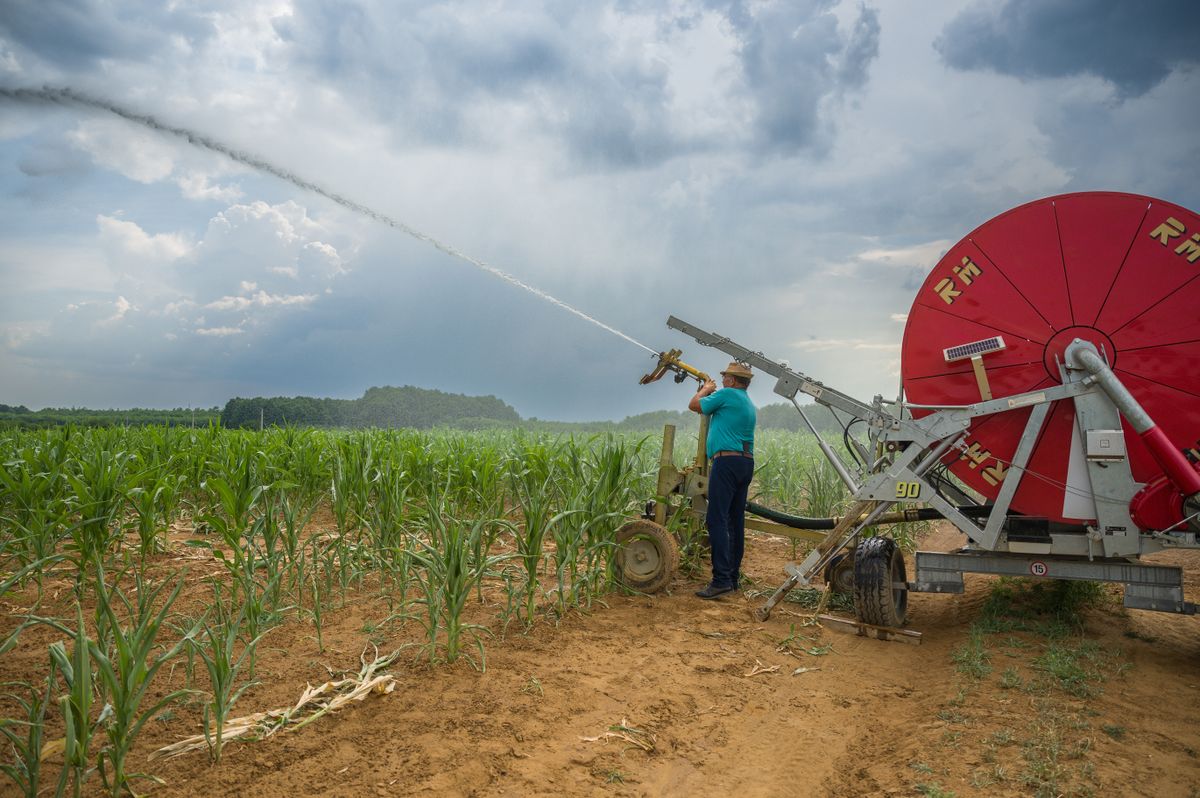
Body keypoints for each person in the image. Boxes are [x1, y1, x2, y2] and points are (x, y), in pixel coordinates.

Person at [689, 361, 756, 599]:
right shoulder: (746, 401)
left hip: (726, 463)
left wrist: (706, 388)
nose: (724, 379)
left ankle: (720, 580)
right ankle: (732, 578)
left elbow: (694, 405)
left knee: (716, 519)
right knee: (734, 521)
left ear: (732, 380)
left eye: (726, 376)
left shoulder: (727, 394)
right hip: (745, 462)